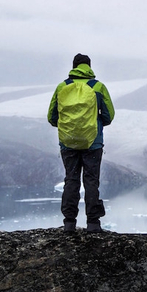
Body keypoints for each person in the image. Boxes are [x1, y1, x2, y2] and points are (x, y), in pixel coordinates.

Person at [47, 53, 115, 232]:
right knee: (91, 180)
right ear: (89, 66)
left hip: (68, 143)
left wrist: (67, 129)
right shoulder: (98, 87)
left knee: (71, 179)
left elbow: (52, 116)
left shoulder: (62, 87)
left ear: (74, 66)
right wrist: (95, 124)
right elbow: (109, 115)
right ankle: (93, 223)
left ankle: (69, 223)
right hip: (93, 142)